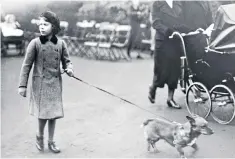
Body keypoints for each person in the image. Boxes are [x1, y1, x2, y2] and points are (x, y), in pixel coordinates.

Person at [18, 11, 74, 153]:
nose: (41, 27)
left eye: (45, 24)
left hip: (55, 84)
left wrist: (69, 69)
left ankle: (51, 141)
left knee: (53, 114)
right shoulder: (35, 43)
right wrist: (22, 85)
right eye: (40, 24)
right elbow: (26, 65)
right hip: (40, 84)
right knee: (43, 114)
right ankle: (40, 136)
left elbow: (67, 61)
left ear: (54, 26)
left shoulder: (61, 44)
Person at [148, 0, 192, 109]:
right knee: (161, 70)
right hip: (163, 41)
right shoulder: (157, 3)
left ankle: (170, 98)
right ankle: (153, 87)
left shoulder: (179, 2)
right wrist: (167, 31)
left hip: (175, 40)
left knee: (174, 70)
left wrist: (186, 29)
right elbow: (155, 22)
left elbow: (183, 20)